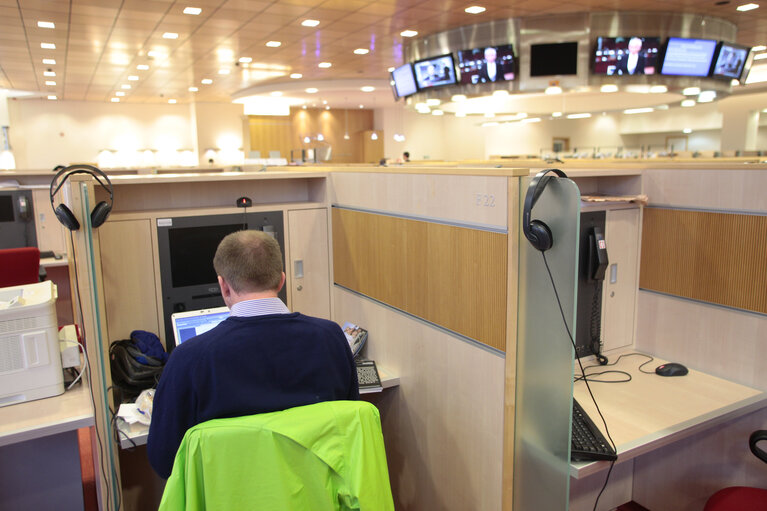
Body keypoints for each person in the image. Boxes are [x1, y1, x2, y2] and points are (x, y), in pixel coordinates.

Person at [147, 230, 359, 478]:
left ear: (223, 286)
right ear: (281, 280)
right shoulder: (331, 338)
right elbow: (347, 425)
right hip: (317, 495)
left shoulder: (188, 359)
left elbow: (165, 461)